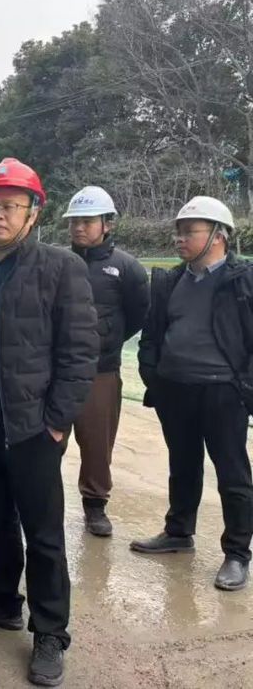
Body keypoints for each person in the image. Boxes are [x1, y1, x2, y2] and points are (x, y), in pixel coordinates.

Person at [0, 158, 98, 687]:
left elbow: (80, 352)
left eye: (10, 205)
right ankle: (2, 600)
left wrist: (56, 422)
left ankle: (50, 631)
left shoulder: (60, 269)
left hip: (32, 427)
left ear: (33, 214)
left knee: (44, 534)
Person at [133, 196, 253, 592]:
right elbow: (152, 333)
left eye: (189, 232)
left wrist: (244, 387)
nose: (179, 239)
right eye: (178, 232)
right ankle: (179, 532)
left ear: (219, 236)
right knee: (182, 464)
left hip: (223, 391)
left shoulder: (243, 280)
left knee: (232, 472)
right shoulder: (170, 281)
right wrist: (152, 373)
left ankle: (237, 554)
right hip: (175, 388)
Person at [63, 186, 149, 537]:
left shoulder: (126, 268)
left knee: (97, 442)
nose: (79, 227)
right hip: (57, 369)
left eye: (87, 221)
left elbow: (139, 314)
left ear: (107, 224)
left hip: (101, 371)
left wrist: (108, 340)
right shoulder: (58, 262)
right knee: (46, 440)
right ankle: (42, 501)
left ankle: (95, 506)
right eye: (74, 221)